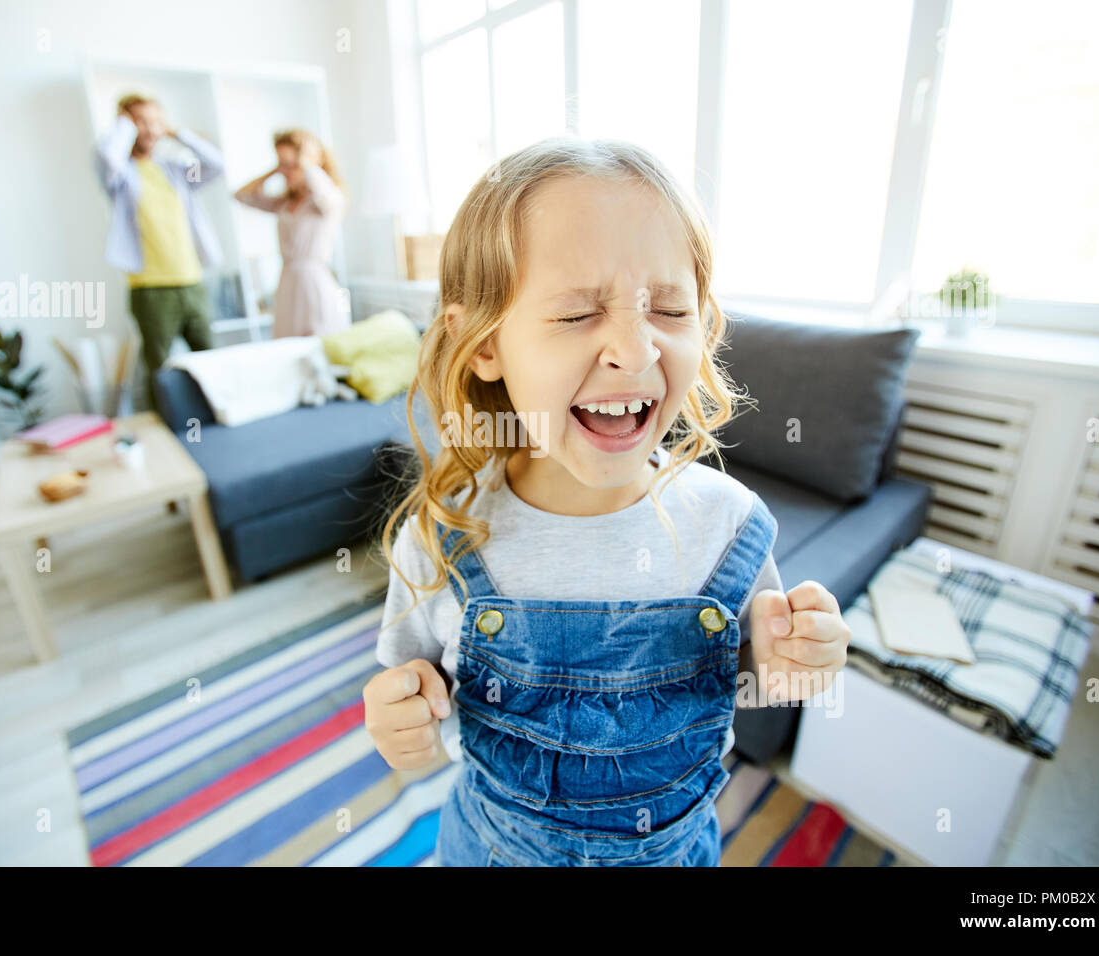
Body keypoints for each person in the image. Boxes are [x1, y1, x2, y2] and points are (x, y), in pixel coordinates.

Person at [362, 137, 853, 867]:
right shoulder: (446, 534)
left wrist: (794, 662)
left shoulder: (728, 527)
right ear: (485, 345)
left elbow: (743, 683)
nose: (635, 348)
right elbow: (406, 690)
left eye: (669, 309)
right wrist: (397, 721)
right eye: (574, 315)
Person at [94, 93, 224, 412]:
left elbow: (216, 165)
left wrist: (177, 133)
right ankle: (169, 431)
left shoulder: (175, 170)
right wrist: (127, 126)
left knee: (211, 362)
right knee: (160, 371)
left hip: (191, 281)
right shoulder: (122, 175)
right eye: (139, 120)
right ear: (124, 124)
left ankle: (215, 416)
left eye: (154, 120)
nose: (148, 128)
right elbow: (108, 156)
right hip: (150, 288)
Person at [233, 129, 349, 338]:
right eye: (281, 163)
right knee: (286, 340)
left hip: (314, 282)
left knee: (319, 338)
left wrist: (306, 165)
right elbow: (241, 196)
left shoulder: (325, 201)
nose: (287, 171)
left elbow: (327, 196)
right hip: (287, 282)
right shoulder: (284, 203)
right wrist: (274, 171)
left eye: (292, 164)